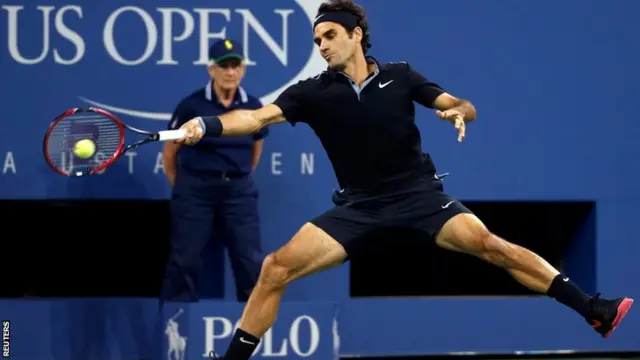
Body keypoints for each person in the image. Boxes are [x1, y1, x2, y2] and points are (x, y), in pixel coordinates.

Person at [177, 0, 634, 358]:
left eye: (330, 35)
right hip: (357, 208)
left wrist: (460, 111)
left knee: (493, 246)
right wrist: (207, 125)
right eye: (317, 39)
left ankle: (594, 310)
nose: (322, 46)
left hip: (418, 196)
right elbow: (255, 117)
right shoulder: (310, 94)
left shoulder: (400, 77)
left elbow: (459, 102)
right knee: (275, 268)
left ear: (356, 35)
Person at [161, 38, 268, 302]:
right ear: (211, 70)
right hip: (195, 190)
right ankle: (177, 326)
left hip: (238, 191)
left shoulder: (254, 107)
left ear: (243, 69)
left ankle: (252, 332)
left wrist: (240, 176)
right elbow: (170, 152)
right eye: (223, 66)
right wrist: (184, 187)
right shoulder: (191, 106)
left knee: (250, 261)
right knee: (185, 259)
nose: (230, 72)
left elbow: (257, 146)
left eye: (235, 65)